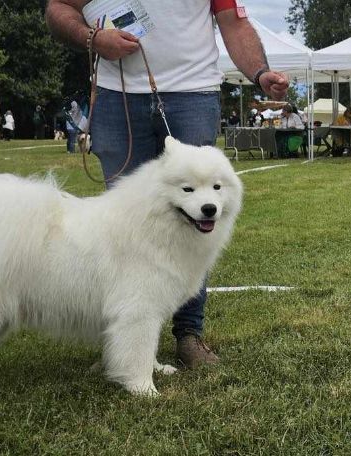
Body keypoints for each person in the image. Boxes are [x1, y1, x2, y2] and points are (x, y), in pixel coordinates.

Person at [47, 0, 289, 368]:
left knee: (197, 222)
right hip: (116, 97)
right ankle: (125, 344)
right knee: (117, 229)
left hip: (192, 94)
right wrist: (93, 38)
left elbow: (234, 22)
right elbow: (59, 8)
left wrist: (260, 73)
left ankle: (188, 336)